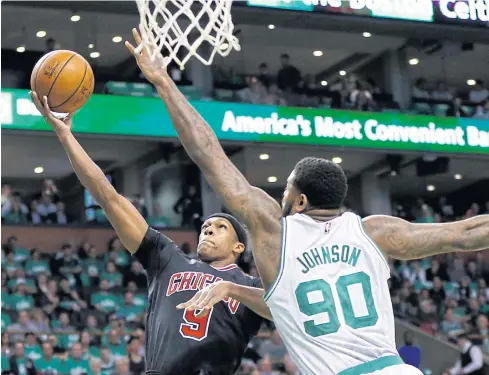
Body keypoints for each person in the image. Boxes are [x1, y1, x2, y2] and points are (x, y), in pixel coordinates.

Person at [126, 27, 489, 375]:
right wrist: (235, 288)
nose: (281, 197)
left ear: (299, 201)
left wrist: (164, 82)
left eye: (285, 190)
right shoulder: (375, 231)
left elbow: (208, 154)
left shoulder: (276, 235)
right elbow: (467, 232)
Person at [29, 91, 272, 375]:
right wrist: (65, 136)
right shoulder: (168, 258)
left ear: (239, 247)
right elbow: (109, 198)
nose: (208, 230)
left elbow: (280, 308)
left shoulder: (252, 284)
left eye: (220, 227)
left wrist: (231, 288)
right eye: (206, 226)